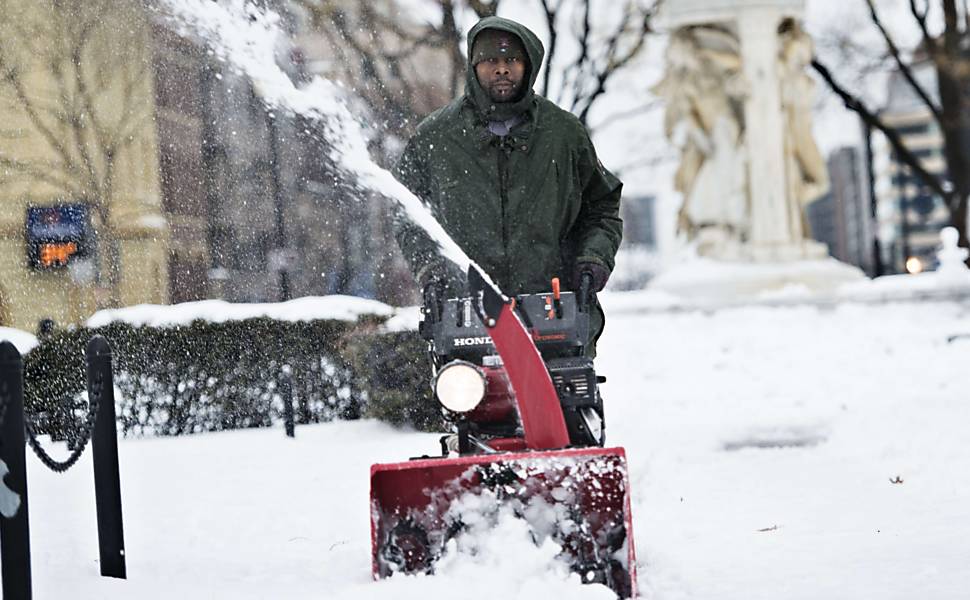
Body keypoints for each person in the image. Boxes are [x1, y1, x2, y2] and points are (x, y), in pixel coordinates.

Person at [393, 16, 622, 356]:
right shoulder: (435, 138)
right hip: (466, 319)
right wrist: (432, 270)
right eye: (490, 61)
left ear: (528, 65)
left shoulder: (564, 134)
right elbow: (408, 215)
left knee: (565, 407)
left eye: (511, 60)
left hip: (556, 317)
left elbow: (601, 208)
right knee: (467, 406)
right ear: (474, 67)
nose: (501, 70)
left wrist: (592, 260)